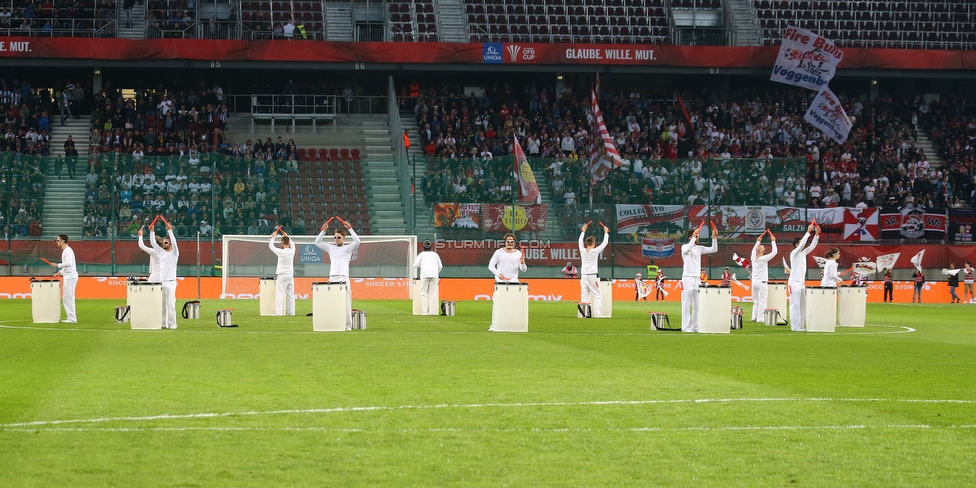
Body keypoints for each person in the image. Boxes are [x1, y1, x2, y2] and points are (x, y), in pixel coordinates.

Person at [314, 217, 361, 329]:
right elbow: (317, 242)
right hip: (333, 277)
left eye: (339, 237)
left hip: (343, 277)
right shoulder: (330, 248)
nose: (336, 239)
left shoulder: (348, 248)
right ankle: (334, 323)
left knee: (346, 302)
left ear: (343, 238)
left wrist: (350, 229)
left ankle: (348, 325)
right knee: (331, 301)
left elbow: (357, 241)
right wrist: (323, 231)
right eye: (335, 237)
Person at [680, 222, 718, 332]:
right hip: (687, 278)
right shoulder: (685, 247)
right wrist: (694, 236)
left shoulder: (699, 248)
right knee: (687, 304)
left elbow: (713, 249)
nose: (697, 237)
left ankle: (694, 326)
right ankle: (685, 327)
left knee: (697, 305)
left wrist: (714, 238)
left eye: (698, 236)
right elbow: (689, 247)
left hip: (697, 279)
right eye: (695, 236)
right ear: (690, 237)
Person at [487, 233, 527, 330]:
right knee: (497, 303)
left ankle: (512, 325)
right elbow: (491, 266)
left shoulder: (518, 253)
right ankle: (494, 325)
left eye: (511, 241)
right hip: (501, 282)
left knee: (514, 304)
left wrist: (522, 263)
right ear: (504, 242)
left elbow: (523, 269)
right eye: (508, 241)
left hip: (514, 282)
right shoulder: (498, 252)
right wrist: (498, 274)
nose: (509, 243)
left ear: (514, 243)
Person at [788, 224, 820, 331]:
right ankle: (795, 326)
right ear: (796, 245)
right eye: (800, 243)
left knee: (802, 305)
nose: (804, 245)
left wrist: (816, 235)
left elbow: (812, 246)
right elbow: (803, 244)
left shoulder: (803, 253)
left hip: (801, 282)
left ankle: (800, 325)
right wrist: (808, 232)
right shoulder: (794, 253)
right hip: (794, 282)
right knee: (795, 305)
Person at [151, 217, 180, 329]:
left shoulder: (174, 253)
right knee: (163, 305)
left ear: (170, 243)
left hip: (171, 282)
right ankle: (164, 323)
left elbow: (175, 243)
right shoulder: (162, 253)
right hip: (162, 282)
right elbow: (153, 243)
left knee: (171, 304)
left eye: (166, 242)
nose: (163, 244)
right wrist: (152, 231)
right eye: (163, 242)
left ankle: (173, 324)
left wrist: (170, 231)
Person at [578, 222, 610, 317]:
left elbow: (579, 241)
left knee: (584, 295)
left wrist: (583, 231)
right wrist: (606, 233)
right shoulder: (594, 251)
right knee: (597, 295)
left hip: (584, 276)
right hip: (592, 276)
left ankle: (583, 314)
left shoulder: (582, 251)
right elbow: (605, 243)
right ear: (593, 243)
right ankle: (597, 313)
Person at [750, 233, 778, 321]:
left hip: (754, 282)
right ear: (762, 251)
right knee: (762, 300)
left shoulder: (753, 258)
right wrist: (773, 241)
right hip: (762, 282)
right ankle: (760, 318)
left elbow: (753, 250)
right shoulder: (763, 259)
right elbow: (775, 252)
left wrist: (758, 241)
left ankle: (754, 317)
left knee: (756, 301)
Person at [50, 234, 77, 323]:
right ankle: (71, 317)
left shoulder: (67, 251)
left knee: (68, 298)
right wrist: (60, 272)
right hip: (69, 275)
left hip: (70, 276)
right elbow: (68, 265)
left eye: (58, 240)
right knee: (68, 297)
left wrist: (57, 265)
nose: (56, 242)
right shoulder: (66, 250)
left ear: (62, 241)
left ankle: (72, 318)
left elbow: (69, 263)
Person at [269, 227, 296, 316]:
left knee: (280, 294)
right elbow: (292, 244)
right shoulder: (292, 251)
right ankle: (291, 312)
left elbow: (271, 246)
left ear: (282, 243)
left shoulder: (281, 252)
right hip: (290, 275)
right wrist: (287, 236)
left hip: (282, 275)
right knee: (290, 295)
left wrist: (273, 237)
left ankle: (279, 313)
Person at [412, 239, 443, 315]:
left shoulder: (421, 254)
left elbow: (415, 265)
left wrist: (422, 264)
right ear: (431, 246)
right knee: (432, 294)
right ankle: (432, 312)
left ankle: (425, 312)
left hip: (424, 275)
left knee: (424, 294)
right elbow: (440, 266)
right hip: (434, 275)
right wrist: (436, 273)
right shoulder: (435, 255)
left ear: (423, 247)